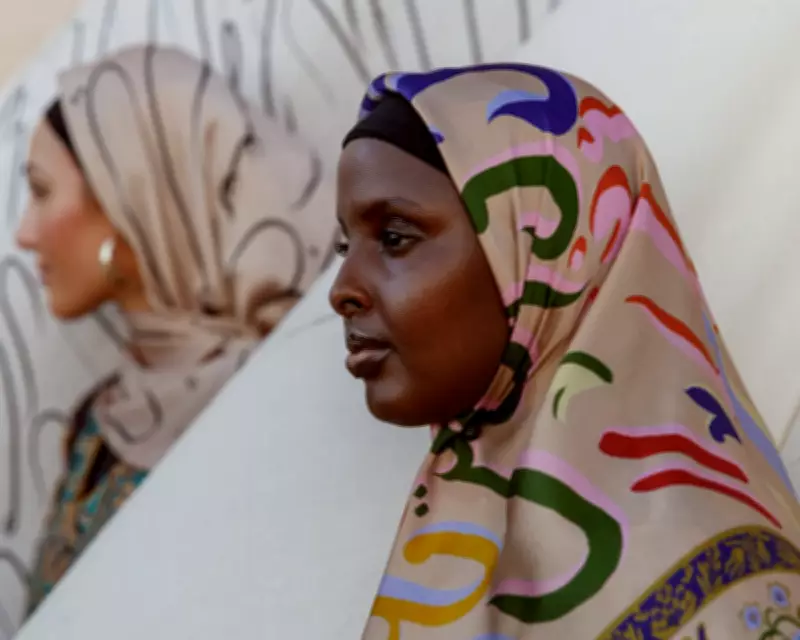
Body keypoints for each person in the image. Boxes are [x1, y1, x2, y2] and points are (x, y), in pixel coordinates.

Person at [330, 64, 800, 638]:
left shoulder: (718, 587)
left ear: (550, 250)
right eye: (344, 247)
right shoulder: (471, 513)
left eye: (395, 237)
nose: (341, 290)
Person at [17, 44, 336, 614]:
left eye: (41, 192)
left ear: (132, 193)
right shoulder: (102, 423)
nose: (24, 233)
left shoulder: (291, 396)